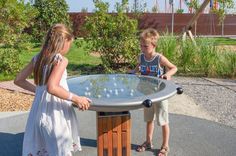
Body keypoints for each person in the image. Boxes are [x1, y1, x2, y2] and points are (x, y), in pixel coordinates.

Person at [14, 24, 91, 156]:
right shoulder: (61, 60)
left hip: (38, 111)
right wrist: (77, 98)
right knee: (59, 150)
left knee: (44, 150)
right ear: (63, 42)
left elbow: (18, 80)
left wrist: (39, 90)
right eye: (69, 44)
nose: (69, 48)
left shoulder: (37, 58)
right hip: (54, 113)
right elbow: (52, 87)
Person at [130, 28, 177, 156]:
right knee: (149, 119)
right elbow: (138, 67)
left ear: (154, 45)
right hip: (147, 94)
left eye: (145, 46)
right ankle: (148, 141)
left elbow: (174, 68)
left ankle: (165, 145)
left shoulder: (159, 58)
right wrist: (133, 72)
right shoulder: (141, 57)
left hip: (160, 94)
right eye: (141, 45)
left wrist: (167, 74)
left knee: (163, 120)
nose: (142, 48)